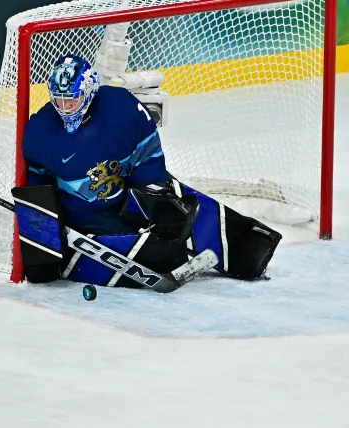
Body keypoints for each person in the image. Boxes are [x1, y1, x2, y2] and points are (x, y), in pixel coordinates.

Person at [17, 54, 281, 288]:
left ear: (89, 91)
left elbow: (148, 158)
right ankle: (154, 249)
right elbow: (38, 194)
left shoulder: (122, 108)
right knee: (164, 256)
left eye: (72, 100)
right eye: (59, 100)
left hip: (130, 190)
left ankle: (244, 248)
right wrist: (42, 243)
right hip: (87, 215)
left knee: (178, 214)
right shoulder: (39, 133)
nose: (64, 108)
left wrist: (157, 199)